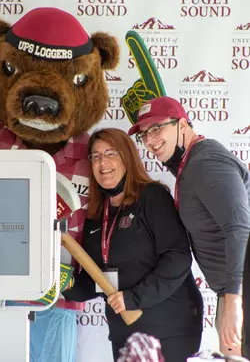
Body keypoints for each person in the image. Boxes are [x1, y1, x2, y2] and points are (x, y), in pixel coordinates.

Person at [63, 128, 203, 362]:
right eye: (95, 156)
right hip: (125, 334)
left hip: (168, 330)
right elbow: (99, 280)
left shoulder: (152, 196)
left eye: (110, 153)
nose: (102, 162)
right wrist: (65, 283)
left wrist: (133, 297)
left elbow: (177, 258)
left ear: (127, 157)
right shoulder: (97, 214)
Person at [128, 96, 250, 357]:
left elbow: (239, 229)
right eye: (143, 134)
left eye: (156, 128)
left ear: (182, 125)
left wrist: (234, 300)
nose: (149, 140)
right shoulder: (190, 164)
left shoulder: (207, 162)